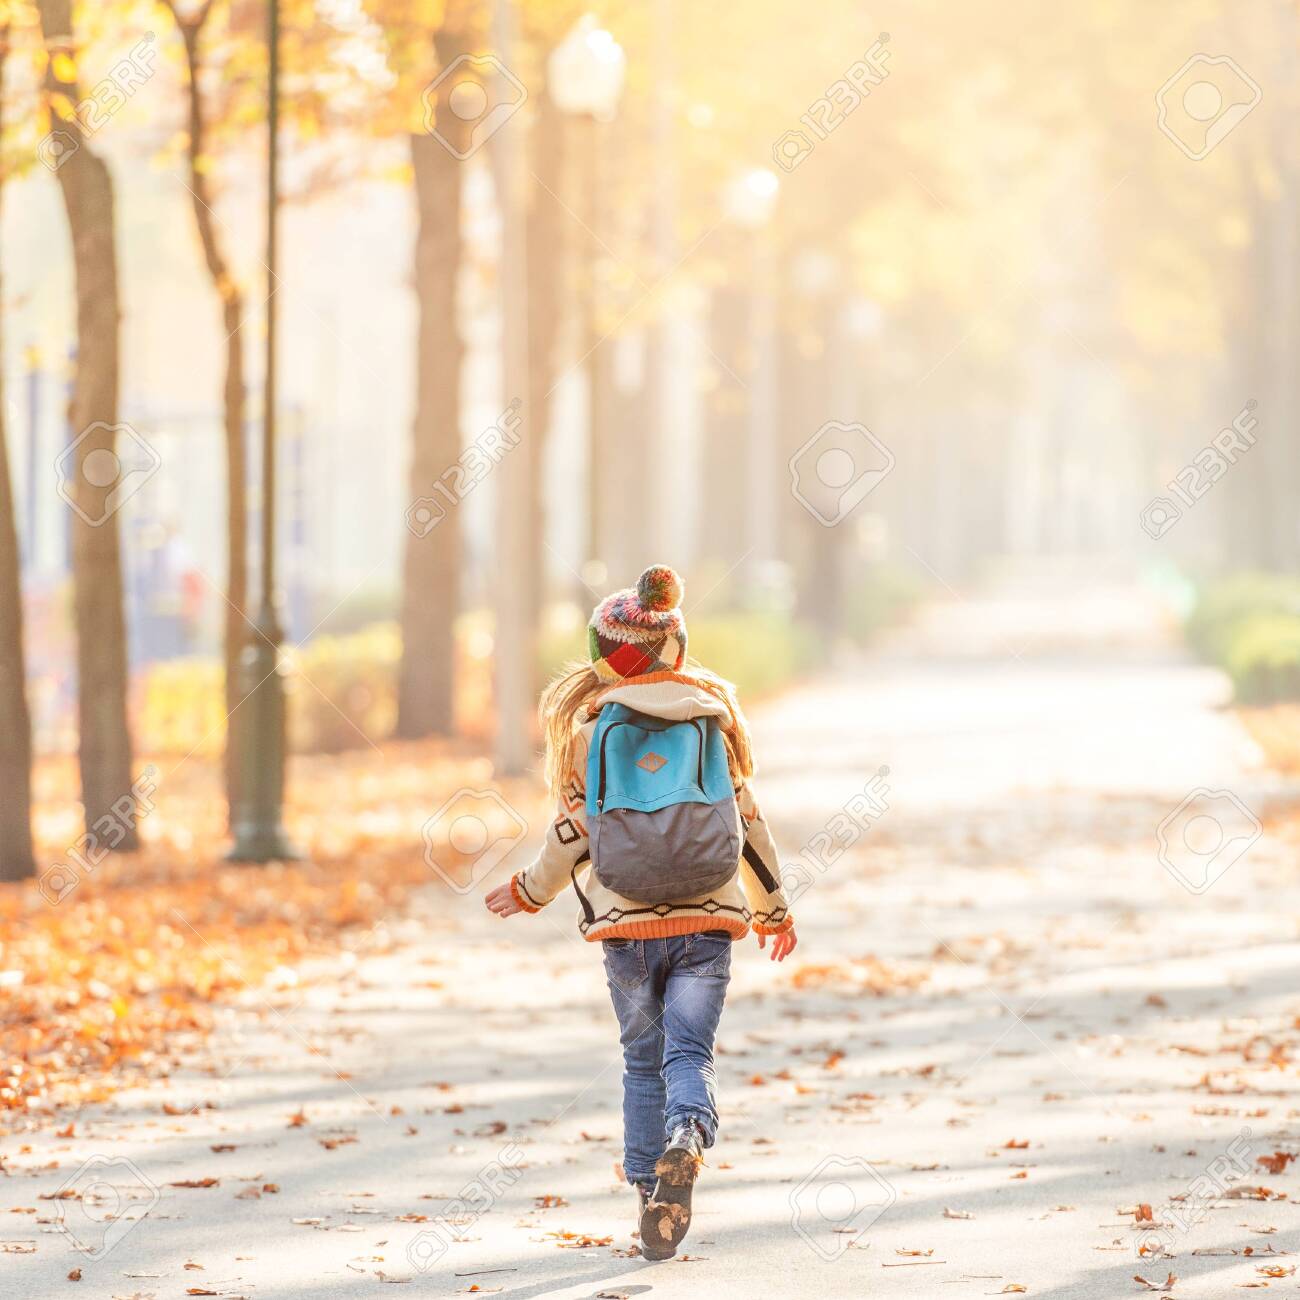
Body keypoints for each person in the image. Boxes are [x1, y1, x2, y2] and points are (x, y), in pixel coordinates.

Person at [485, 564, 797, 1260]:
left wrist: (530, 891)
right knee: (690, 1052)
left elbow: (573, 832)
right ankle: (687, 1137)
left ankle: (647, 1193)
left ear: (604, 656)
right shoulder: (713, 720)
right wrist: (773, 910)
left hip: (626, 931)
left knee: (640, 1062)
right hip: (707, 924)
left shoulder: (593, 729)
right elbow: (748, 823)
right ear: (676, 647)